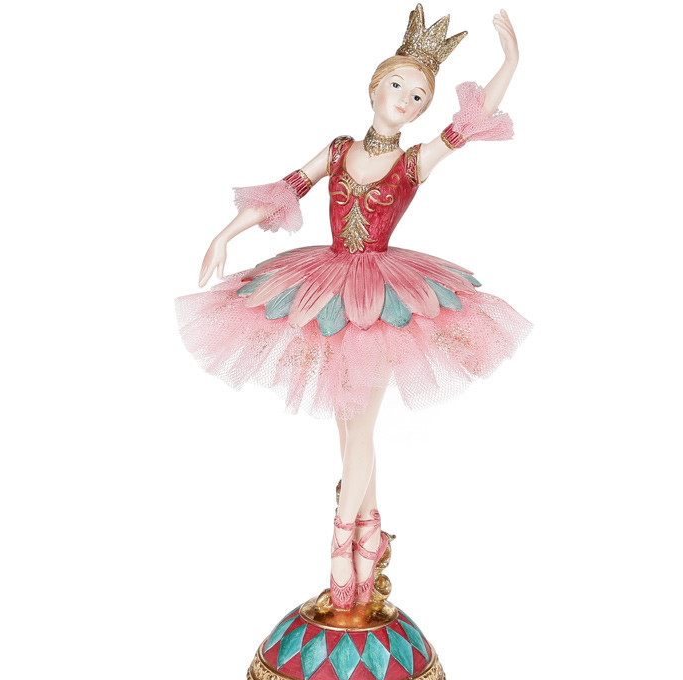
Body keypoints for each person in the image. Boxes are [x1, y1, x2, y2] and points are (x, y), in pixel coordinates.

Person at [176, 6, 531, 610]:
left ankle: (343, 549)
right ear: (374, 86)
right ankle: (370, 535)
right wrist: (225, 233)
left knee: (360, 423)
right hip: (328, 285)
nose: (406, 100)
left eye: (419, 96)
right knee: (347, 422)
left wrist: (511, 63)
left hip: (382, 297)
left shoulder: (413, 162)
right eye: (398, 85)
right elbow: (286, 189)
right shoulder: (339, 149)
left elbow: (469, 125)